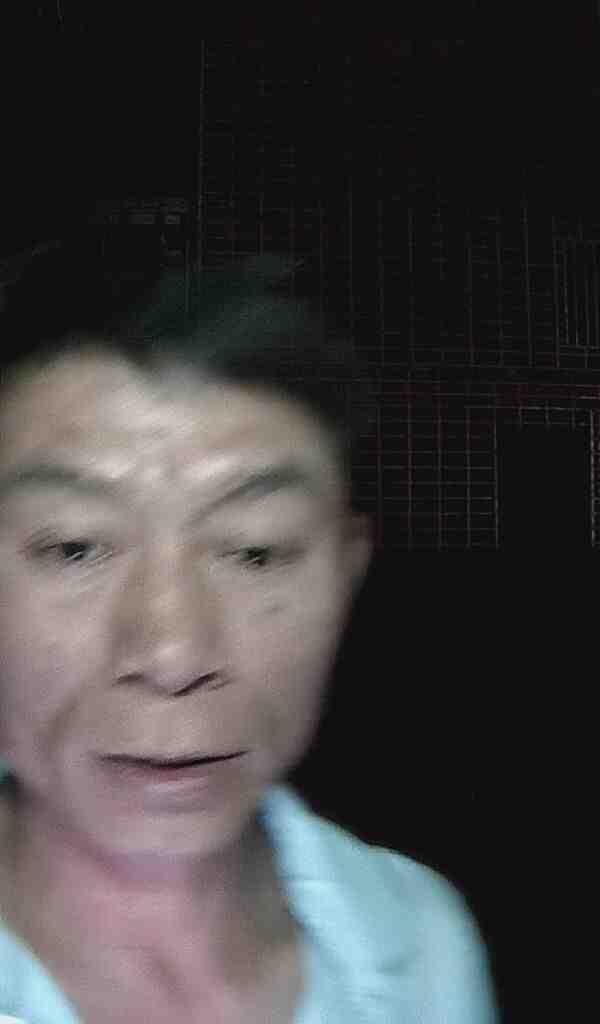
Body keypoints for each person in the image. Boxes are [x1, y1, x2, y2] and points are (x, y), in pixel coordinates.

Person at [0, 247, 500, 1022]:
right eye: (73, 547)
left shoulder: (421, 938)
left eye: (256, 551)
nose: (173, 657)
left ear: (347, 570)